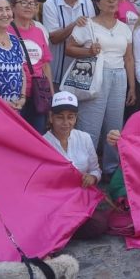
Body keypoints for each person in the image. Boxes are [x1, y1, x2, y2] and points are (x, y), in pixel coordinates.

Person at [66, 0, 136, 176]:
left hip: (119, 76)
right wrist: (88, 51)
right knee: (90, 125)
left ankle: (110, 169)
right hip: (97, 74)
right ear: (98, 2)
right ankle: (85, 169)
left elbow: (128, 58)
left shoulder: (124, 28)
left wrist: (132, 86)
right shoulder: (86, 24)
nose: (112, 1)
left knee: (115, 125)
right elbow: (69, 48)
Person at [43, 91, 107, 239]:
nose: (66, 123)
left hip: (81, 199)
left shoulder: (84, 138)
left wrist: (92, 178)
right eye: (60, 117)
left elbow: (96, 170)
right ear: (51, 118)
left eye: (70, 117)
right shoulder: (43, 143)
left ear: (76, 118)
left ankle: (66, 230)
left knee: (99, 224)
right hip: (56, 202)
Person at [8, 0, 54, 133]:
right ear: (13, 6)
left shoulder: (39, 31)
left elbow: (45, 65)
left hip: (38, 95)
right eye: (24, 2)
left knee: (38, 135)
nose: (29, 6)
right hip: (14, 95)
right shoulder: (5, 31)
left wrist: (51, 96)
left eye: (32, 3)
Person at [42, 0, 96, 90]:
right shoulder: (50, 4)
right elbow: (54, 38)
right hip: (58, 72)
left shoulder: (87, 1)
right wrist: (74, 25)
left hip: (82, 73)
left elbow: (92, 34)